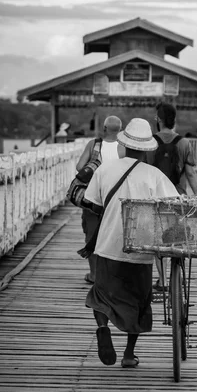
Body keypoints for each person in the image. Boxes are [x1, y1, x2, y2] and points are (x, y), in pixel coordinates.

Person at [83, 118, 178, 368]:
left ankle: (103, 327)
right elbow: (174, 206)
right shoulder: (154, 175)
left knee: (100, 295)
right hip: (141, 249)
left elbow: (92, 201)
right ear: (148, 148)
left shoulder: (105, 169)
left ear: (124, 145)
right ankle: (128, 354)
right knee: (137, 303)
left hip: (107, 246)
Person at [148, 101, 197, 291]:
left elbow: (144, 171)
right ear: (174, 120)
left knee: (158, 238)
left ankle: (162, 281)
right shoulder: (184, 143)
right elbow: (191, 174)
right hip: (178, 198)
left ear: (158, 119)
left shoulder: (150, 142)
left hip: (156, 199)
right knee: (179, 236)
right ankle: (178, 277)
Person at [76, 115, 126, 284]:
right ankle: (112, 275)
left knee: (91, 234)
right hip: (115, 199)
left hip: (92, 198)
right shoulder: (124, 147)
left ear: (104, 128)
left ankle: (94, 275)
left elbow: (79, 167)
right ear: (120, 130)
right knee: (114, 235)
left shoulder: (94, 144)